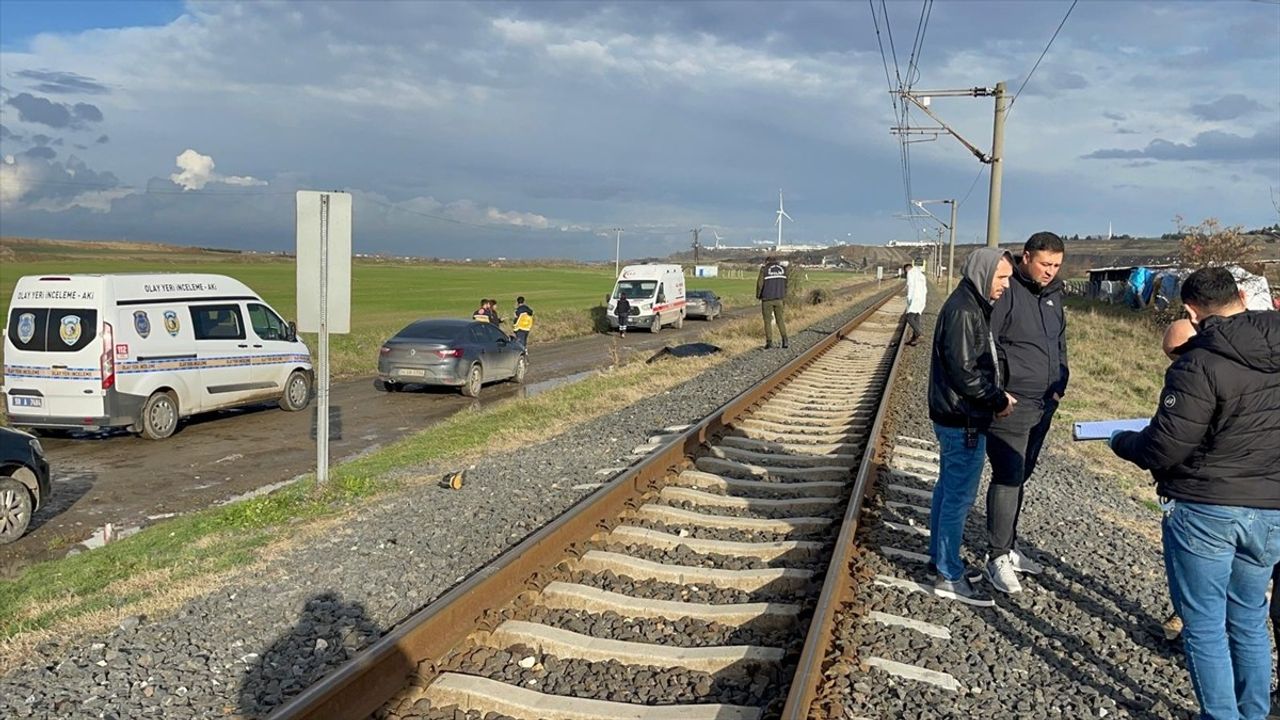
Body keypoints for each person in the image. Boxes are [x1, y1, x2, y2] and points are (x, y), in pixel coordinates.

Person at [1108, 267, 1280, 720]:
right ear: (1242, 296)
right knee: (1248, 620)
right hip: (1270, 507)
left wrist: (1121, 441)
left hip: (1207, 508)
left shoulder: (1199, 362)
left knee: (1204, 625)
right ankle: (1254, 712)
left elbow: (1166, 445)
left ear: (1190, 311)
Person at [927, 247, 1017, 607]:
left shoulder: (970, 303)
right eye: (1001, 277)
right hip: (962, 418)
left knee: (947, 491)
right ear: (983, 274)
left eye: (1008, 278)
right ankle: (948, 574)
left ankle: (940, 558)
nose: (1006, 286)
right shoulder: (966, 311)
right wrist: (998, 400)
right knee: (958, 498)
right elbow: (965, 373)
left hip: (955, 416)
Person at [981, 232, 1068, 594]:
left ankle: (1010, 547)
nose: (1050, 271)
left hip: (1044, 402)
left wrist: (1062, 378)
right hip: (1011, 404)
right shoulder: (1006, 290)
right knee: (1008, 476)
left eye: (1057, 266)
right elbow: (988, 342)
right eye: (1045, 264)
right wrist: (1000, 392)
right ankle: (996, 557)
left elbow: (1058, 341)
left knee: (1023, 476)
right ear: (1026, 257)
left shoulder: (1053, 296)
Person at [757, 256, 789, 349]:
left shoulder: (764, 270)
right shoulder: (783, 269)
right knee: (780, 320)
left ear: (767, 262)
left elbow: (760, 284)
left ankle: (769, 342)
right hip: (780, 298)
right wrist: (784, 295)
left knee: (767, 321)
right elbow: (786, 284)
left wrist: (759, 295)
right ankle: (785, 340)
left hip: (767, 299)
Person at [903, 262, 927, 346]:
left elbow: (911, 286)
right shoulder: (921, 275)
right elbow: (925, 288)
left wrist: (909, 299)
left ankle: (920, 334)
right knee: (916, 318)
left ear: (907, 269)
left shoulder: (910, 273)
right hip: (922, 299)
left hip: (914, 298)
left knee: (909, 317)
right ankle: (914, 340)